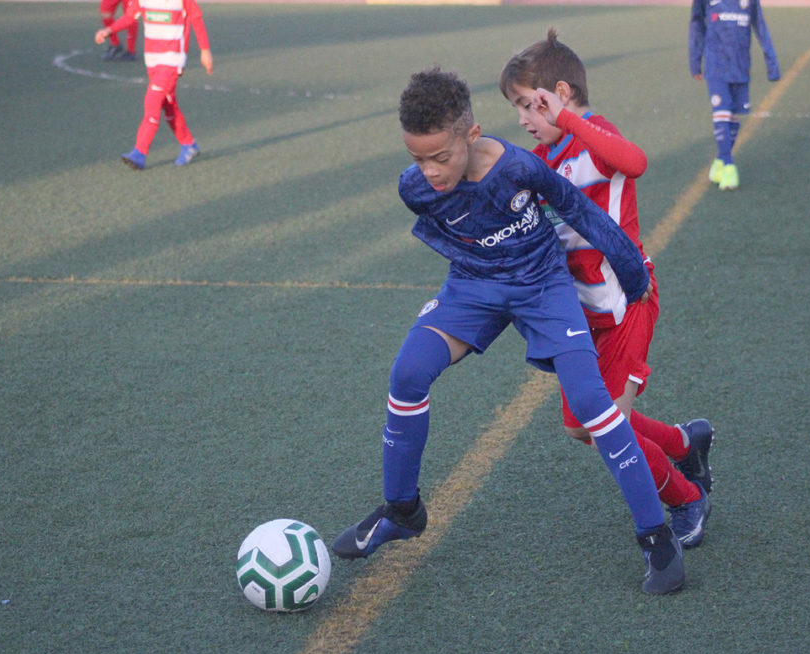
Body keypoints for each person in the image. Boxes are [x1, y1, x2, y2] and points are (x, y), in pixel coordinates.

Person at [331, 67, 685, 595]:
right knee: (407, 373)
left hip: (544, 288)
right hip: (474, 287)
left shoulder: (519, 167)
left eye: (440, 156)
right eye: (417, 158)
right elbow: (444, 231)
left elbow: (584, 214)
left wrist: (633, 277)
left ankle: (657, 538)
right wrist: (475, 273)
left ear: (471, 135)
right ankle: (402, 510)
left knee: (591, 404)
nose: (428, 170)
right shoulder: (415, 188)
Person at [499, 29, 713, 549]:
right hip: (583, 315)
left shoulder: (591, 136)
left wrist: (569, 120)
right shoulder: (543, 159)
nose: (526, 119)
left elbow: (634, 162)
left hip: (626, 304)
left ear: (561, 95)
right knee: (581, 427)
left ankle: (685, 499)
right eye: (520, 109)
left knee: (606, 424)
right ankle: (685, 441)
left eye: (532, 105)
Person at [94, 0, 214, 170]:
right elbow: (130, 17)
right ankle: (189, 144)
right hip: (152, 60)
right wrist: (109, 30)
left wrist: (205, 51)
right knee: (169, 105)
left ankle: (139, 153)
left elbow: (196, 18)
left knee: (152, 101)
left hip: (172, 60)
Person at [689, 0, 780, 191]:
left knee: (734, 117)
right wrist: (695, 60)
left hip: (741, 67)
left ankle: (720, 161)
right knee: (721, 113)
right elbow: (697, 24)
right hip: (716, 67)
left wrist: (772, 63)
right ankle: (729, 166)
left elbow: (760, 26)